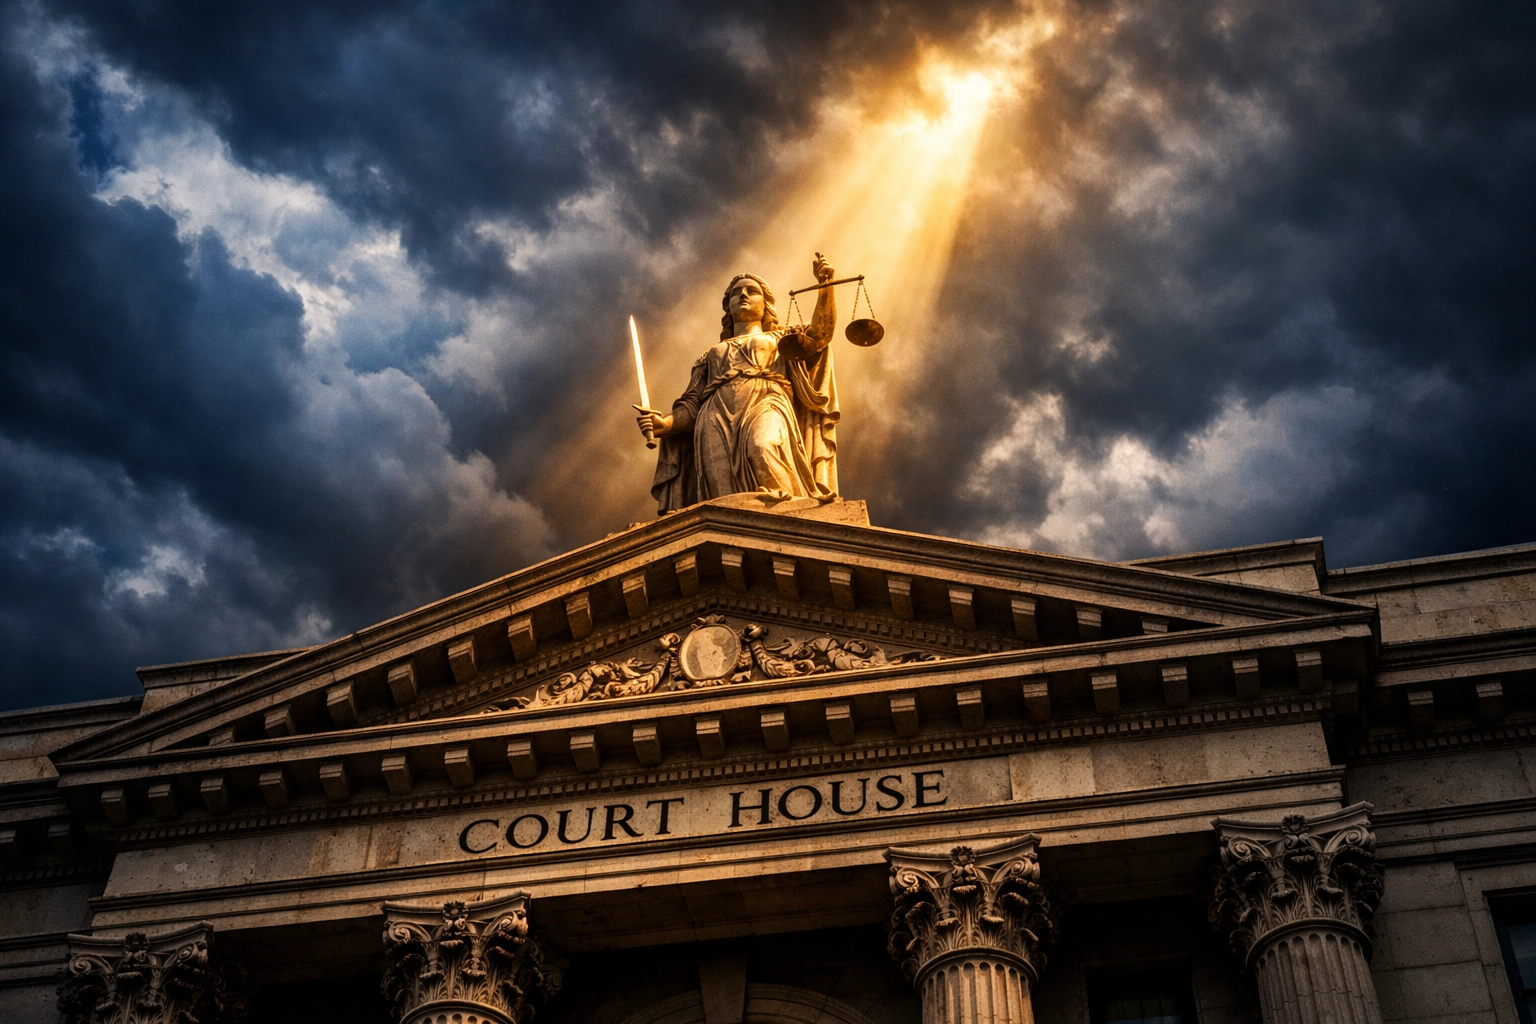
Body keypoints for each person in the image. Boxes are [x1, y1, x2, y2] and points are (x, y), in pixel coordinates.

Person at [637, 254, 841, 514]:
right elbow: (691, 406)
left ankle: (794, 518)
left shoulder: (782, 338)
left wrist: (826, 287)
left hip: (766, 400)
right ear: (728, 307)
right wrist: (664, 424)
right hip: (714, 414)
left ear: (766, 304)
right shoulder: (711, 354)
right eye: (736, 293)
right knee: (719, 483)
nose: (743, 295)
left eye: (752, 291)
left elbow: (820, 335)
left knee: (763, 445)